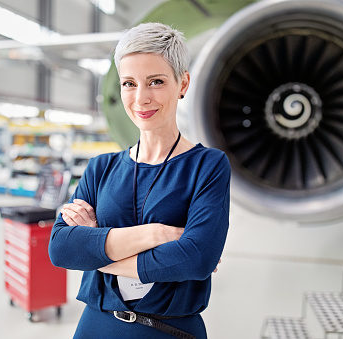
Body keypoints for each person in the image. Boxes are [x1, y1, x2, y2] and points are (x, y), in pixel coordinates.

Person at [49, 22, 231, 339]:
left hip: (169, 330)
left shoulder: (207, 166)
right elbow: (61, 248)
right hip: (96, 325)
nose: (141, 98)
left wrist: (99, 252)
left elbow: (197, 259)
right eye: (129, 83)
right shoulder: (100, 168)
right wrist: (156, 234)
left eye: (156, 81)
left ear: (183, 83)